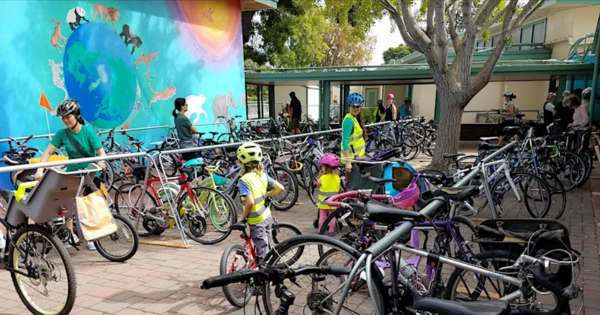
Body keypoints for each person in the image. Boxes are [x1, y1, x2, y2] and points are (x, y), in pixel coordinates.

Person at [35, 99, 106, 251]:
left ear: (76, 115)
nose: (65, 120)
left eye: (68, 116)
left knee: (89, 205)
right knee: (68, 204)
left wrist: (101, 163)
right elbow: (47, 152)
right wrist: (40, 170)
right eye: (63, 118)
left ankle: (92, 237)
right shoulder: (62, 134)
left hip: (90, 173)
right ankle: (70, 234)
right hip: (72, 173)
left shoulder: (88, 131)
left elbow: (100, 152)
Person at [236, 142, 284, 267]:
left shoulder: (244, 180)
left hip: (256, 220)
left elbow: (250, 202)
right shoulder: (262, 175)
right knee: (267, 245)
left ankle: (264, 278)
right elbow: (280, 188)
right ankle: (270, 266)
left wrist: (243, 217)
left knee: (262, 252)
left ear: (241, 162)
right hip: (267, 215)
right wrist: (266, 195)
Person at [341, 92, 366, 177]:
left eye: (358, 106)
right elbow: (345, 141)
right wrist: (348, 162)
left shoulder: (354, 118)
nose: (356, 108)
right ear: (349, 107)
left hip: (357, 158)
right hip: (352, 160)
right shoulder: (349, 120)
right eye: (353, 106)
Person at [316, 153, 342, 235]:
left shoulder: (322, 178)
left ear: (326, 168)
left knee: (322, 216)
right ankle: (331, 230)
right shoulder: (337, 178)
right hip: (333, 201)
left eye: (322, 167)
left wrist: (319, 175)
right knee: (332, 216)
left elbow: (317, 185)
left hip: (323, 201)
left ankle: (321, 230)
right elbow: (339, 189)